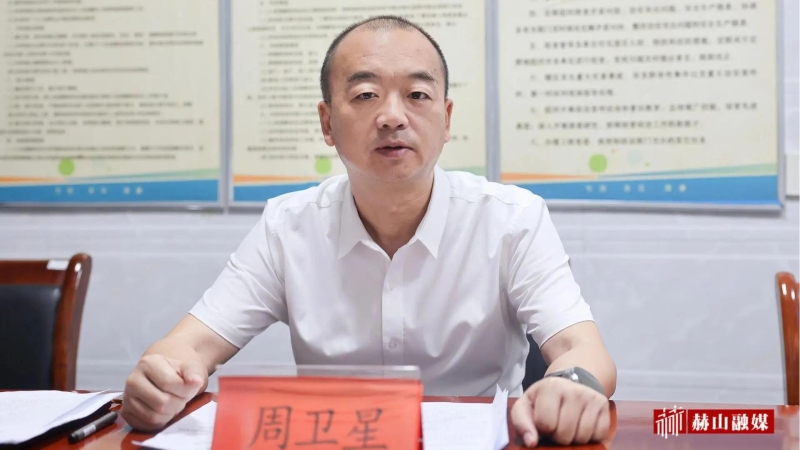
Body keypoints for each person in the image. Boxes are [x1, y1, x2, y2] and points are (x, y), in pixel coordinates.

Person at [121, 15, 617, 447]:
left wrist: (572, 385)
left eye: (417, 95)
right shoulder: (287, 226)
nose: (392, 117)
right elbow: (187, 347)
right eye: (365, 95)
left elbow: (582, 349)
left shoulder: (511, 219)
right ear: (327, 123)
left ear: (446, 120)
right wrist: (160, 377)